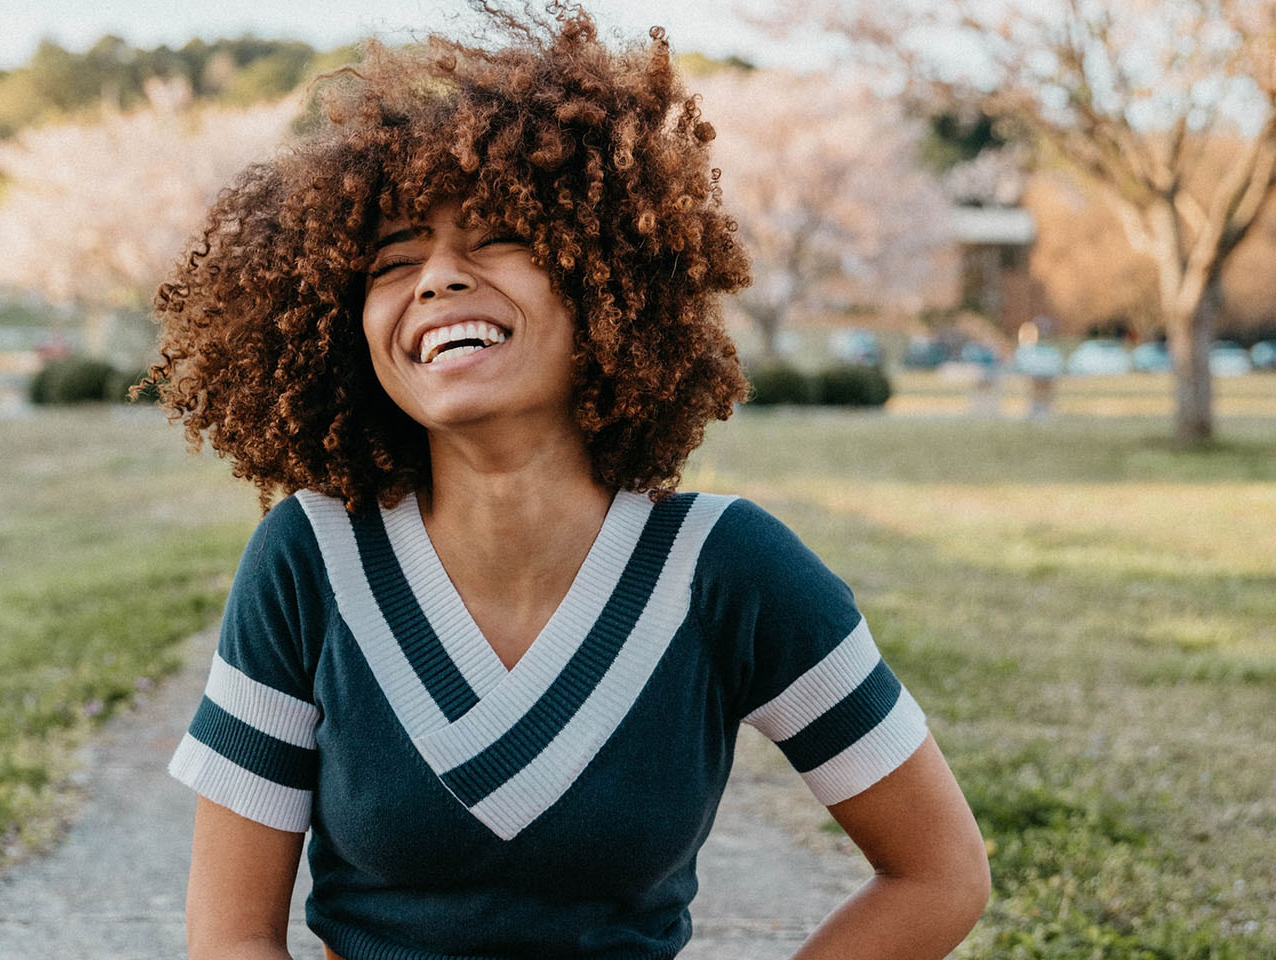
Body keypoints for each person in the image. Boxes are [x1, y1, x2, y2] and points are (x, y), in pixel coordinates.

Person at [146, 4, 990, 958]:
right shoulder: (312, 555)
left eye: (497, 237)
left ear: (605, 275)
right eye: (395, 259)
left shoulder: (726, 569)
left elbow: (939, 873)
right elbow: (231, 941)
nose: (437, 280)